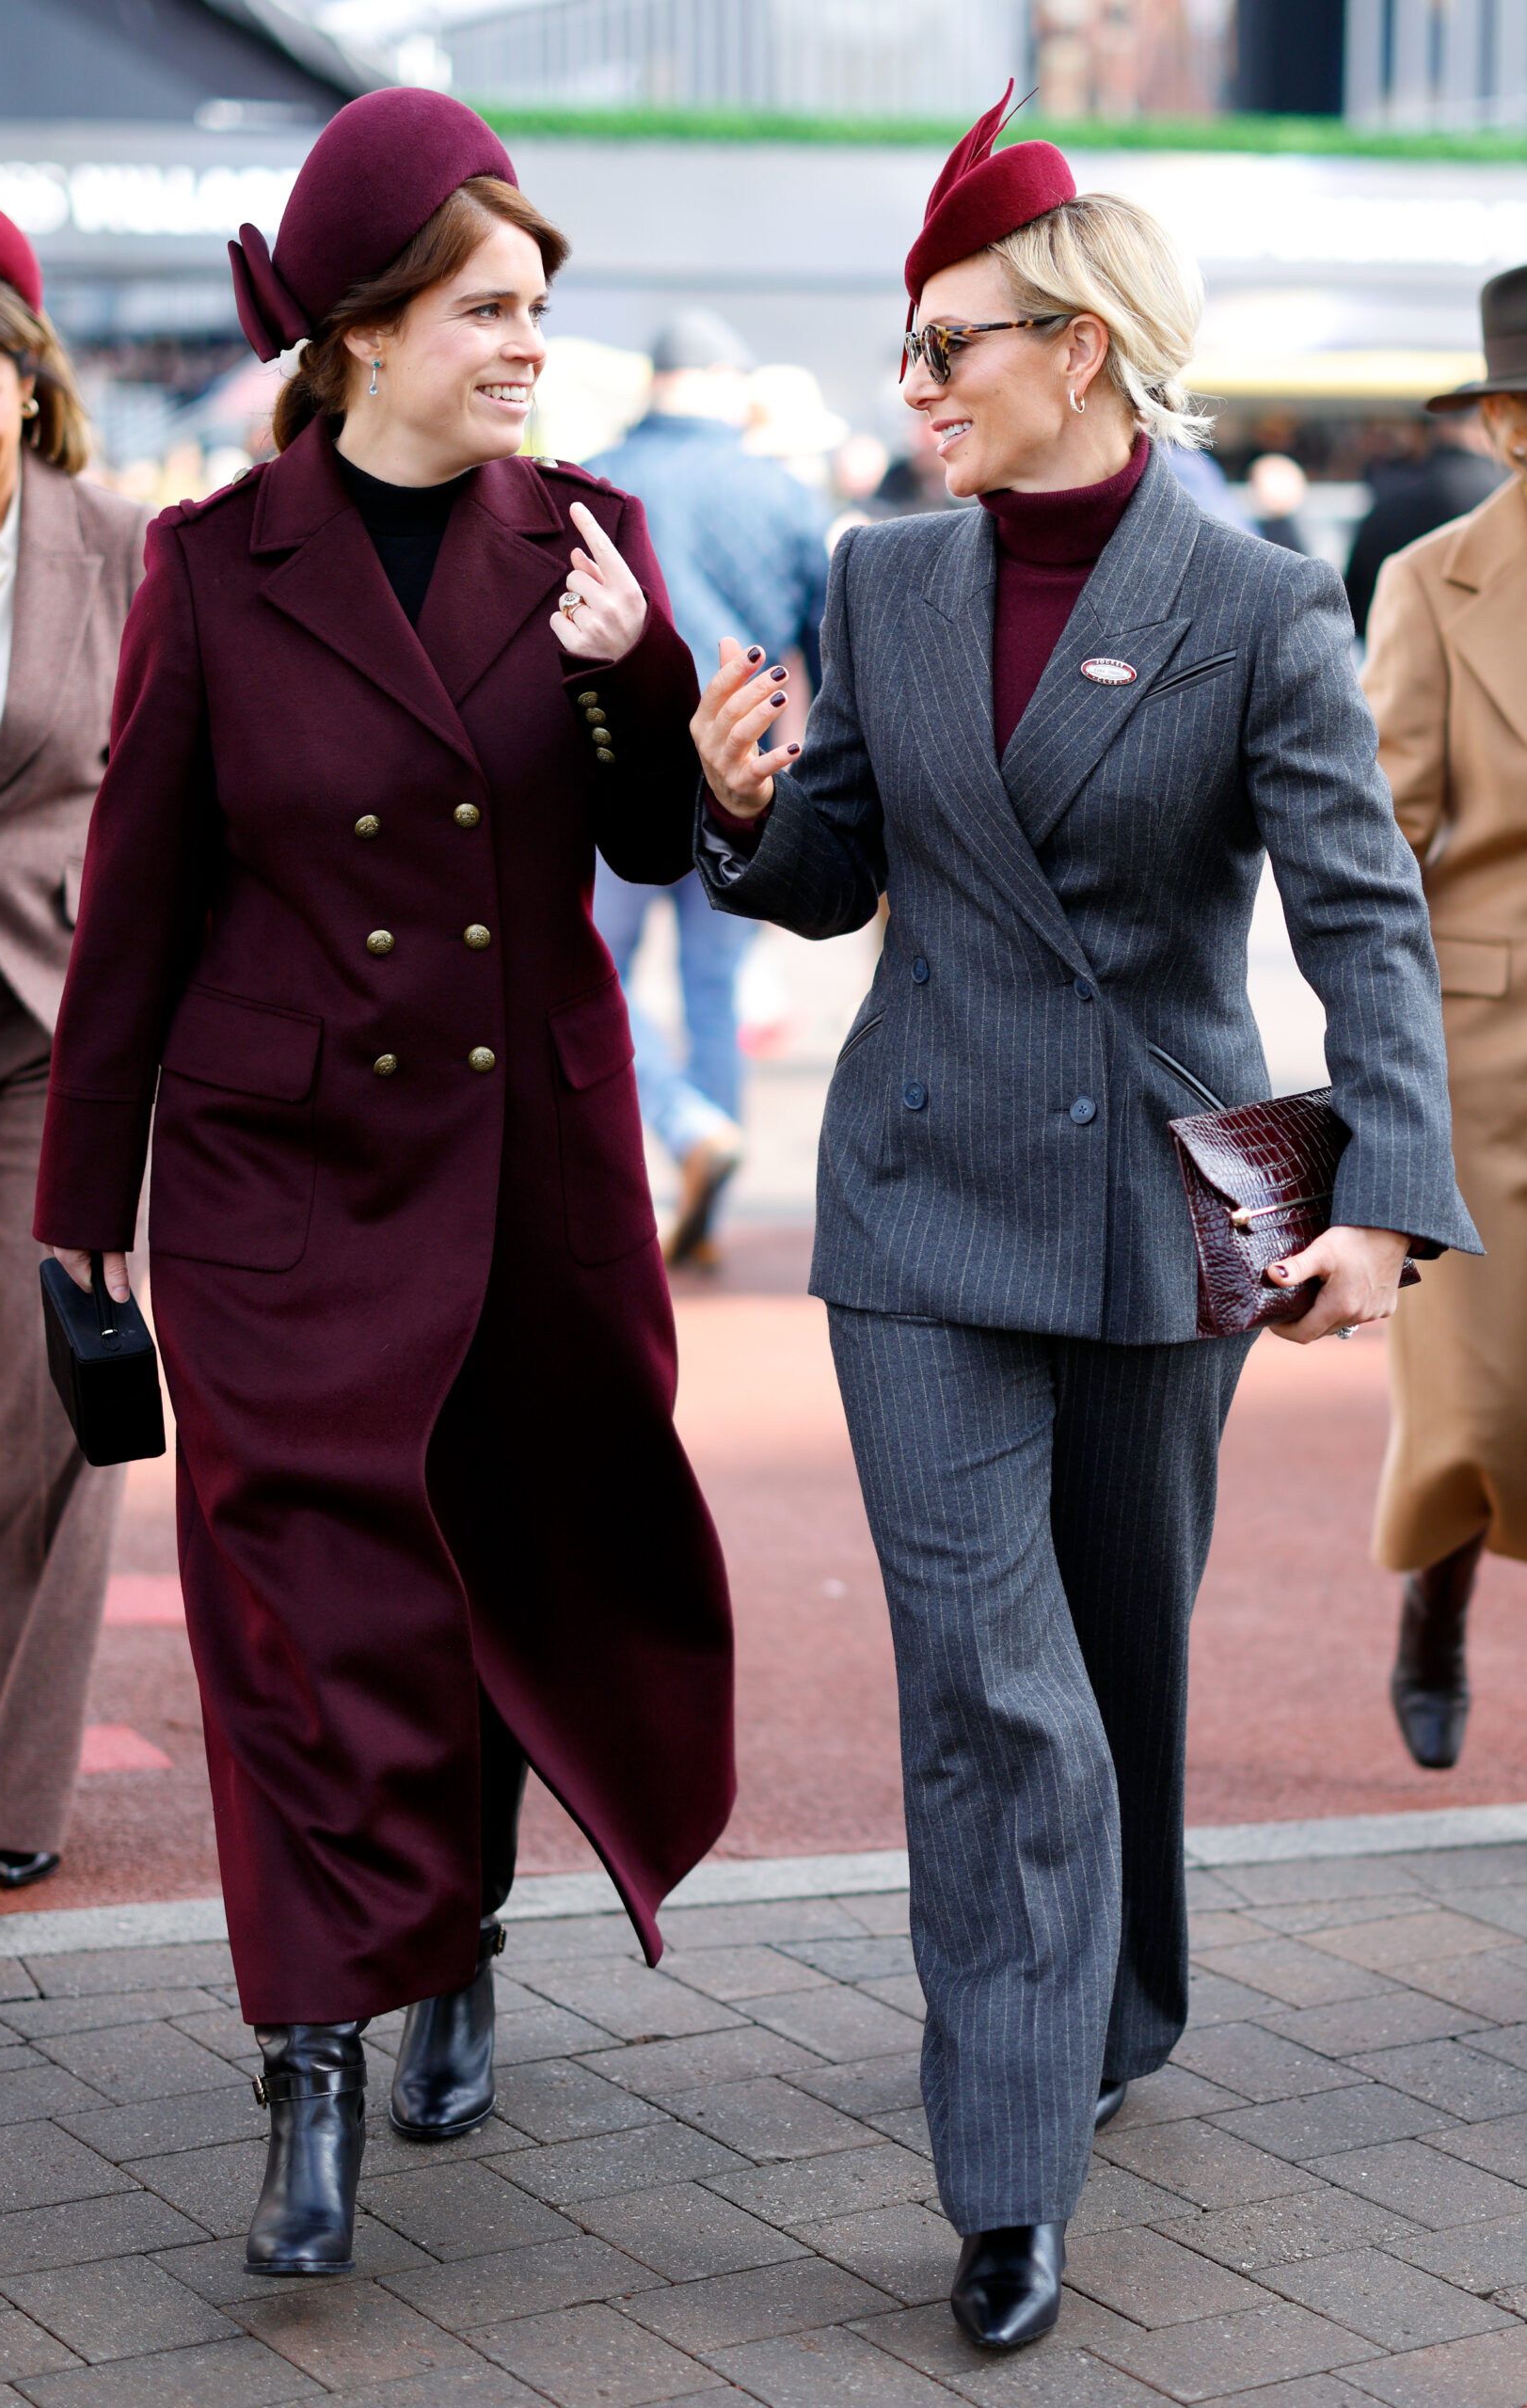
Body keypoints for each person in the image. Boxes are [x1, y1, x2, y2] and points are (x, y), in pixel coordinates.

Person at [691, 96, 1473, 2354]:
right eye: (904, 350)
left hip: (1161, 1213)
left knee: (1121, 1647)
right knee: (990, 1686)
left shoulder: (1249, 603)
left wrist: (1383, 1203)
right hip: (916, 1200)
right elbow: (833, 864)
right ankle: (1008, 2160)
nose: (912, 388)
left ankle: (1110, 1999)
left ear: (1085, 346)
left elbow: (1360, 920)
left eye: (950, 347)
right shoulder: (880, 573)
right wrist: (738, 812)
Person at [33, 90, 733, 2278]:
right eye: (489, 306)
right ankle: (308, 2060)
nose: (530, 341)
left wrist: (639, 681)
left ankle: (461, 1936)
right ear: (367, 328)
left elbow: (646, 848)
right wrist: (84, 1209)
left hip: (531, 1178)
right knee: (297, 1617)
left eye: (541, 305)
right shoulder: (211, 560)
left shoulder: (590, 537)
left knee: (494, 1573)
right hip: (280, 1186)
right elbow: (132, 905)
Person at [0, 194, 150, 1890]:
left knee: (51, 1406)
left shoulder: (120, 548)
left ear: (28, 384)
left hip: (51, 1030)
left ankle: (14, 1792)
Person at [1365, 264, 1527, 1770]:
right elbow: (1379, 843)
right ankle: (1435, 1604)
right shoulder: (1431, 581)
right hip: (1487, 1064)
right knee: (1483, 1400)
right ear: (1504, 425)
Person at [587, 310, 829, 1267]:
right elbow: (825, 639)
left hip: (614, 766)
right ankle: (709, 1207)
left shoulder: (593, 479)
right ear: (728, 381)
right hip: (746, 767)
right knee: (714, 984)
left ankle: (684, 1129)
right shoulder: (780, 489)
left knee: (587, 968)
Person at [1344, 416, 1503, 637]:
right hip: (1484, 640)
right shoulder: (1503, 494)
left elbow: (1355, 590)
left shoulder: (1394, 490)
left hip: (1393, 635)